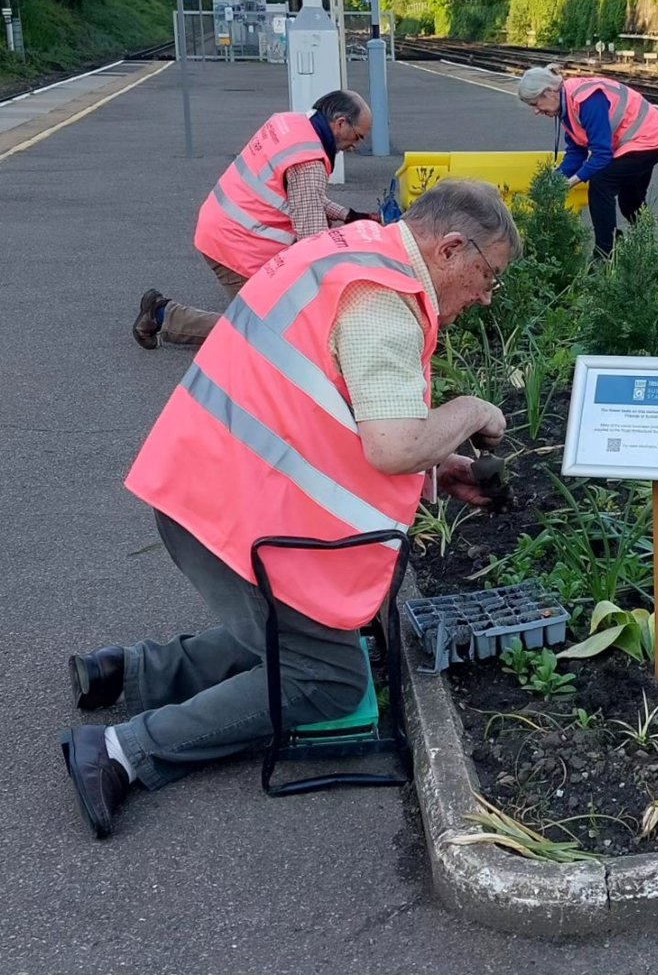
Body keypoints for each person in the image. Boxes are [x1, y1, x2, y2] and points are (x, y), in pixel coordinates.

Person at [60, 181, 520, 838]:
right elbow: (391, 446)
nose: (485, 295)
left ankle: (126, 671)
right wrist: (474, 411)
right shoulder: (386, 301)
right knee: (326, 678)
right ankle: (120, 752)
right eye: (488, 275)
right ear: (451, 248)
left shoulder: (349, 254)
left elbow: (326, 412)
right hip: (238, 515)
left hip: (210, 485)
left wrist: (440, 469)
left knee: (293, 638)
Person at [133, 89, 378, 350]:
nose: (356, 145)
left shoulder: (290, 125)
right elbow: (312, 242)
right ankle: (163, 315)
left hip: (224, 224)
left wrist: (348, 216)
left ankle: (162, 314)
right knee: (269, 331)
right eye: (358, 136)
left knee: (268, 322)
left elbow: (301, 195)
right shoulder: (309, 163)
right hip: (239, 244)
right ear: (341, 124)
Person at [517, 65, 658, 255]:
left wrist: (572, 181)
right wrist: (555, 181)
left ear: (548, 93)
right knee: (630, 200)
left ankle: (604, 253)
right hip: (637, 140)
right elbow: (576, 151)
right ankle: (645, 250)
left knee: (602, 183)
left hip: (649, 139)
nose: (536, 111)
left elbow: (601, 155)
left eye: (535, 104)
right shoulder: (566, 105)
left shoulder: (586, 100)